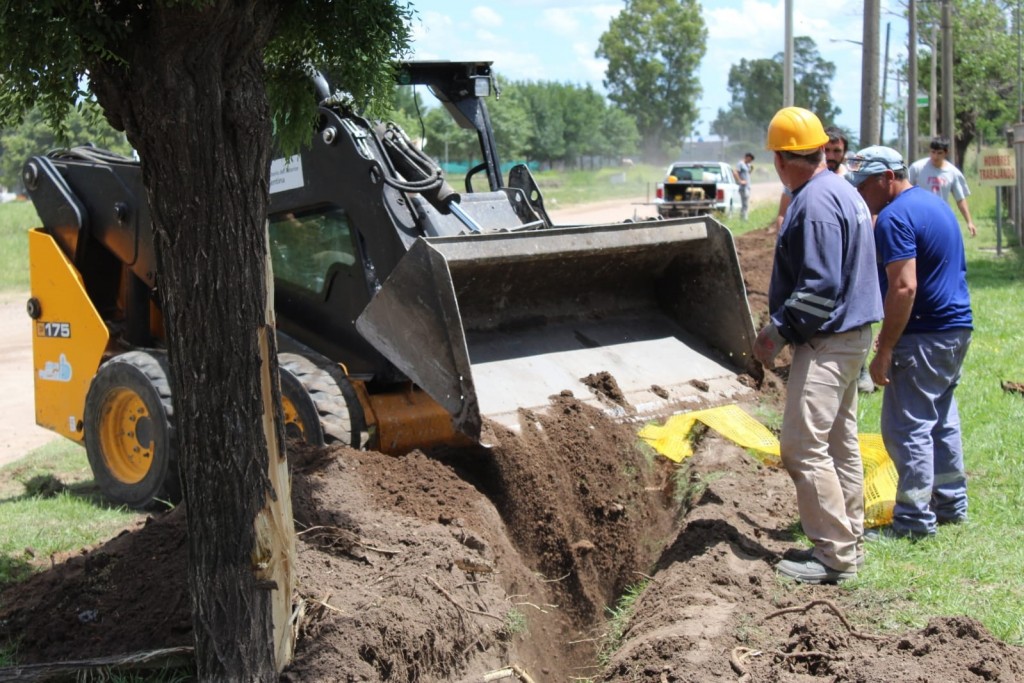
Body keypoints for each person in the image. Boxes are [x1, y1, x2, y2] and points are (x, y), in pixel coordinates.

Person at [755, 107, 883, 584]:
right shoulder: (842, 191)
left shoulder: (812, 202)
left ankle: (835, 556)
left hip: (828, 342)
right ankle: (851, 538)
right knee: (839, 443)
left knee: (802, 447)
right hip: (852, 339)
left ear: (783, 159)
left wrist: (777, 331)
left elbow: (820, 286)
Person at [846, 146, 973, 539]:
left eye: (864, 184)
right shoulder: (932, 204)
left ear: (887, 178)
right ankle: (950, 502)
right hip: (956, 329)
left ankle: (914, 520)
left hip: (923, 334)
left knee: (908, 427)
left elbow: (904, 287)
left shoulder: (894, 218)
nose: (860, 193)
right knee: (942, 419)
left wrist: (884, 348)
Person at [908, 136, 978, 238]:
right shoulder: (917, 168)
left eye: (939, 153)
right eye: (933, 152)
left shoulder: (952, 172)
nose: (935, 156)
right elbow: (904, 191)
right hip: (919, 216)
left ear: (946, 153)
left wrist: (969, 222)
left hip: (941, 216)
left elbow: (960, 199)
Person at [734, 152, 755, 220]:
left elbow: (747, 174)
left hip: (747, 187)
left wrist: (751, 169)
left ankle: (743, 217)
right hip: (743, 187)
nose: (750, 161)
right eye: (750, 159)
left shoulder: (748, 165)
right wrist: (740, 181)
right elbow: (735, 172)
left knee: (746, 203)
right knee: (744, 203)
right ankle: (744, 219)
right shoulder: (740, 164)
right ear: (747, 157)